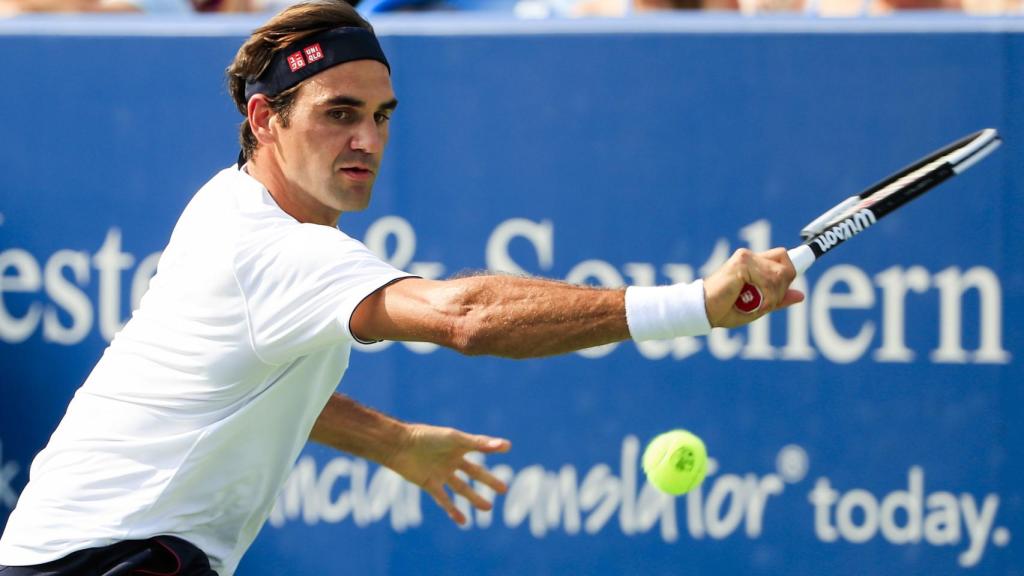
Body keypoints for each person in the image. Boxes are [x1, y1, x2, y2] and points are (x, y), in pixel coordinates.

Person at [0, 1, 802, 574]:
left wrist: (392, 441)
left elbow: (253, 386)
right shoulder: (268, 249)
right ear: (264, 118)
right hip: (108, 558)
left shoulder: (229, 205)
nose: (367, 140)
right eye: (339, 113)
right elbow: (468, 317)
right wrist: (693, 306)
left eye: (383, 115)